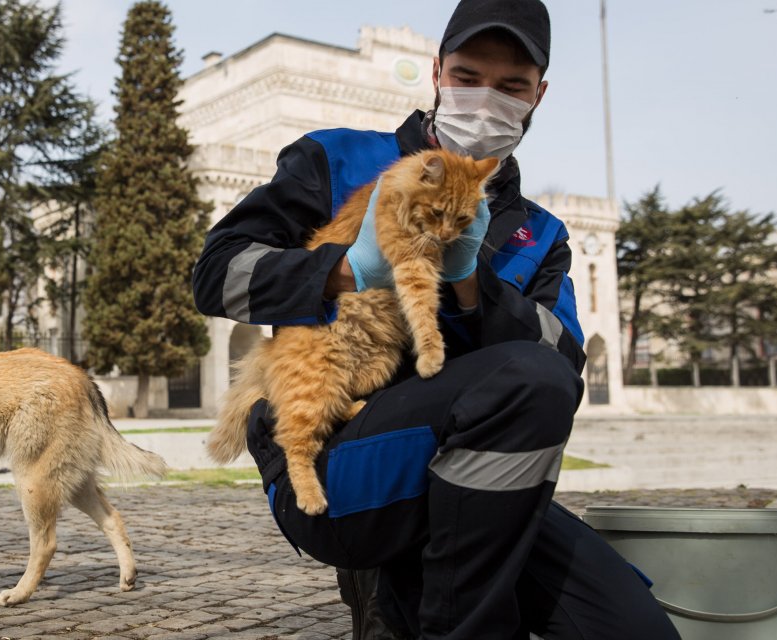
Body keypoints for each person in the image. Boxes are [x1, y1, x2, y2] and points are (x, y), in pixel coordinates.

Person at [190, 1, 681, 638]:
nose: (485, 101)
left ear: (540, 95)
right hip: (341, 456)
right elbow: (214, 275)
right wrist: (346, 270)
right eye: (468, 75)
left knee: (632, 629)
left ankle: (406, 587)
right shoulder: (335, 160)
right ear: (437, 74)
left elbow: (562, 370)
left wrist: (474, 286)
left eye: (511, 86)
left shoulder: (542, 234)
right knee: (519, 387)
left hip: (477, 479)